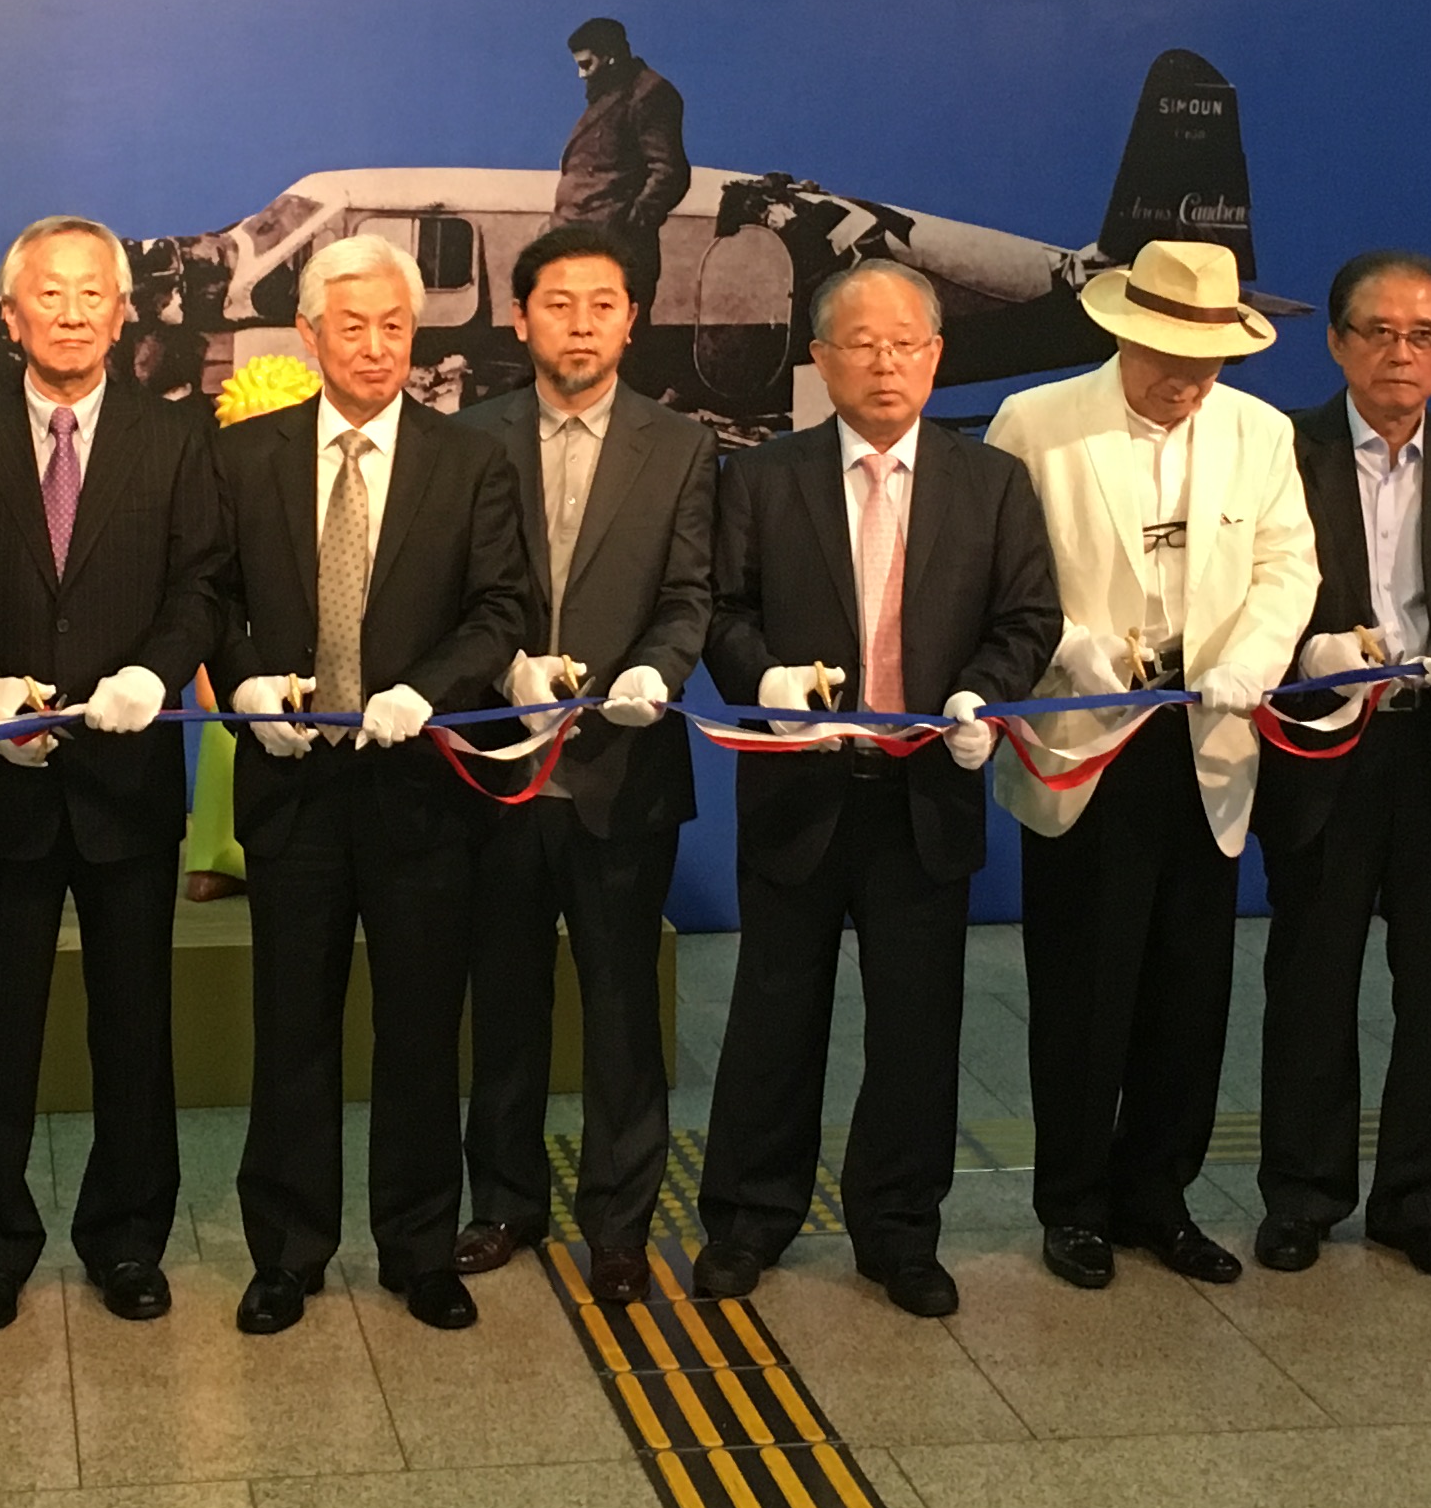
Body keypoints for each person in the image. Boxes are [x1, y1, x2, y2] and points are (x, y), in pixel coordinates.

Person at [694, 261, 1058, 1317]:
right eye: (861, 341)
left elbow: (1028, 620)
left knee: (916, 1027)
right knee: (774, 1012)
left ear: (938, 357)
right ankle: (747, 1220)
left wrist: (983, 698)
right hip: (800, 793)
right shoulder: (762, 475)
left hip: (925, 795)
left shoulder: (991, 483)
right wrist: (763, 679)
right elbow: (720, 608)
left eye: (906, 342)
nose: (885, 360)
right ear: (820, 360)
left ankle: (900, 1231)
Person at [985, 241, 1318, 1291]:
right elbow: (1004, 568)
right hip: (1088, 734)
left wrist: (1256, 658)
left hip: (1209, 732)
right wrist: (1067, 639)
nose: (1187, 380)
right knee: (1084, 983)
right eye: (1168, 355)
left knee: (1191, 982)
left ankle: (1159, 1194)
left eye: (1208, 360)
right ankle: (1073, 1201)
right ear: (1123, 334)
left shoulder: (1260, 434)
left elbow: (1286, 563)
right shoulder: (1036, 425)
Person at [216, 233, 531, 1336]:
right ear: (307, 337)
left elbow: (502, 610)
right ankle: (288, 1252)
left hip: (418, 786)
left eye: (394, 326)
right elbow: (208, 595)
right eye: (350, 326)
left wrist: (430, 692)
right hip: (294, 785)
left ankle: (416, 1245)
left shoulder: (468, 461)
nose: (375, 346)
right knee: (290, 1027)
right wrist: (249, 687)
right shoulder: (248, 457)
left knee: (418, 1027)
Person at [0, 216, 230, 1332]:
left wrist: (154, 677)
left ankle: (127, 1240)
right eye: (46, 296)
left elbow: (200, 581)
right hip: (1, 777)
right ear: (10, 318)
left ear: (124, 312)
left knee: (133, 1022)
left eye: (90, 295)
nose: (69, 313)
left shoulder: (176, 439)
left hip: (127, 778)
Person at [1249, 251, 1431, 1282]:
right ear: (1335, 342)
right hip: (1328, 744)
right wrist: (1311, 659)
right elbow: (1250, 607)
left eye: (1423, 335)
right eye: (1377, 331)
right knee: (1312, 985)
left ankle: (1416, 1201)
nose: (1399, 353)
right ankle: (1303, 1195)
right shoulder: (1281, 453)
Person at [457, 221, 717, 1308]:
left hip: (623, 771)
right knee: (504, 1007)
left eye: (601, 304)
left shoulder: (683, 444)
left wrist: (655, 672)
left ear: (632, 320)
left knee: (621, 1015)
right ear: (522, 319)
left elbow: (692, 595)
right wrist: (498, 672)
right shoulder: (468, 438)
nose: (579, 323)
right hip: (499, 776)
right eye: (557, 303)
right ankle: (505, 1203)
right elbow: (448, 594)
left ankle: (619, 1222)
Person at [554, 18, 690, 250]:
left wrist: (626, 225)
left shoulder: (649, 94)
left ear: (610, 56)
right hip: (578, 239)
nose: (581, 75)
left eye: (586, 64)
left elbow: (670, 173)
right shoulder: (608, 93)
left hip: (615, 247)